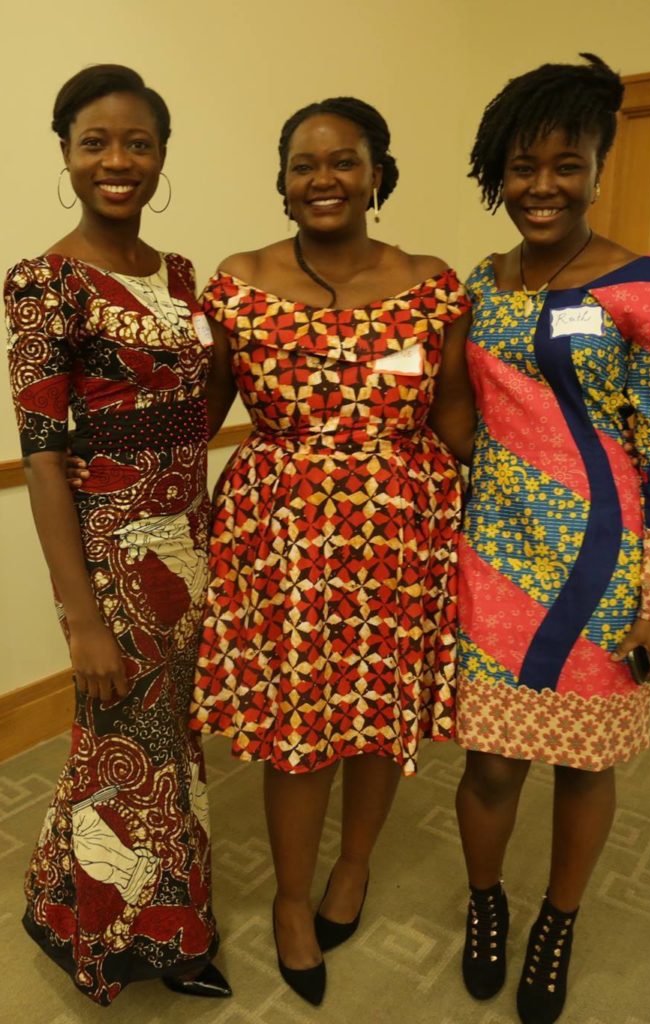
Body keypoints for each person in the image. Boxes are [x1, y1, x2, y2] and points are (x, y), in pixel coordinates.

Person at [187, 96, 471, 1005]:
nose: (323, 178)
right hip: (283, 544)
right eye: (304, 164)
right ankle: (294, 902)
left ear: (378, 173)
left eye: (344, 161)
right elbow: (195, 419)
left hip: (403, 537)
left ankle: (355, 867)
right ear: (282, 181)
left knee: (380, 715)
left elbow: (461, 422)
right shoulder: (237, 282)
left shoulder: (433, 285)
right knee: (297, 735)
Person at [435, 54, 650, 1024]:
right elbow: (457, 414)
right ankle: (487, 903)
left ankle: (558, 917)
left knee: (584, 763)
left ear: (597, 164)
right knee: (491, 761)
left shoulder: (643, 286)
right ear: (494, 173)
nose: (540, 185)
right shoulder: (481, 281)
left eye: (564, 164)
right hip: (492, 564)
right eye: (520, 166)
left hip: (601, 562)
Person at [3, 65, 231, 1005]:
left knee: (166, 739)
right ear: (64, 152)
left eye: (137, 142)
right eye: (95, 141)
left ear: (163, 155)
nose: (117, 159)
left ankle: (150, 913)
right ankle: (110, 942)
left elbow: (201, 400)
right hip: (110, 553)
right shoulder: (40, 283)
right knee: (115, 747)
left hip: (189, 530)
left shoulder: (179, 276)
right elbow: (46, 462)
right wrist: (83, 621)